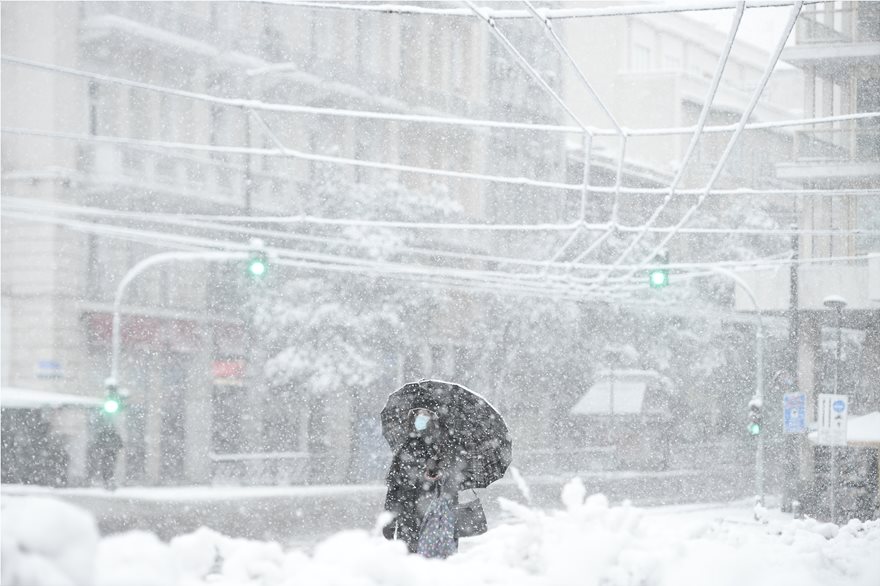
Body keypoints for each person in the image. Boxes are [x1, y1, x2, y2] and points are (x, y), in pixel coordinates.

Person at [382, 406, 471, 554]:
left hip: (437, 522)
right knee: (411, 566)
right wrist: (389, 520)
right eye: (418, 414)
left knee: (435, 567)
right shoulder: (405, 449)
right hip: (408, 519)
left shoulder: (445, 447)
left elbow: (458, 480)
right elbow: (394, 487)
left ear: (434, 419)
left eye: (426, 414)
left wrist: (441, 475)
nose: (421, 419)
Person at [88, 420, 123, 490]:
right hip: (108, 453)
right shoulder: (107, 435)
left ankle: (108, 481)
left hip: (108, 453)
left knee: (108, 468)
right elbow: (120, 444)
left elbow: (120, 444)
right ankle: (108, 481)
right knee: (108, 468)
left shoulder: (105, 435)